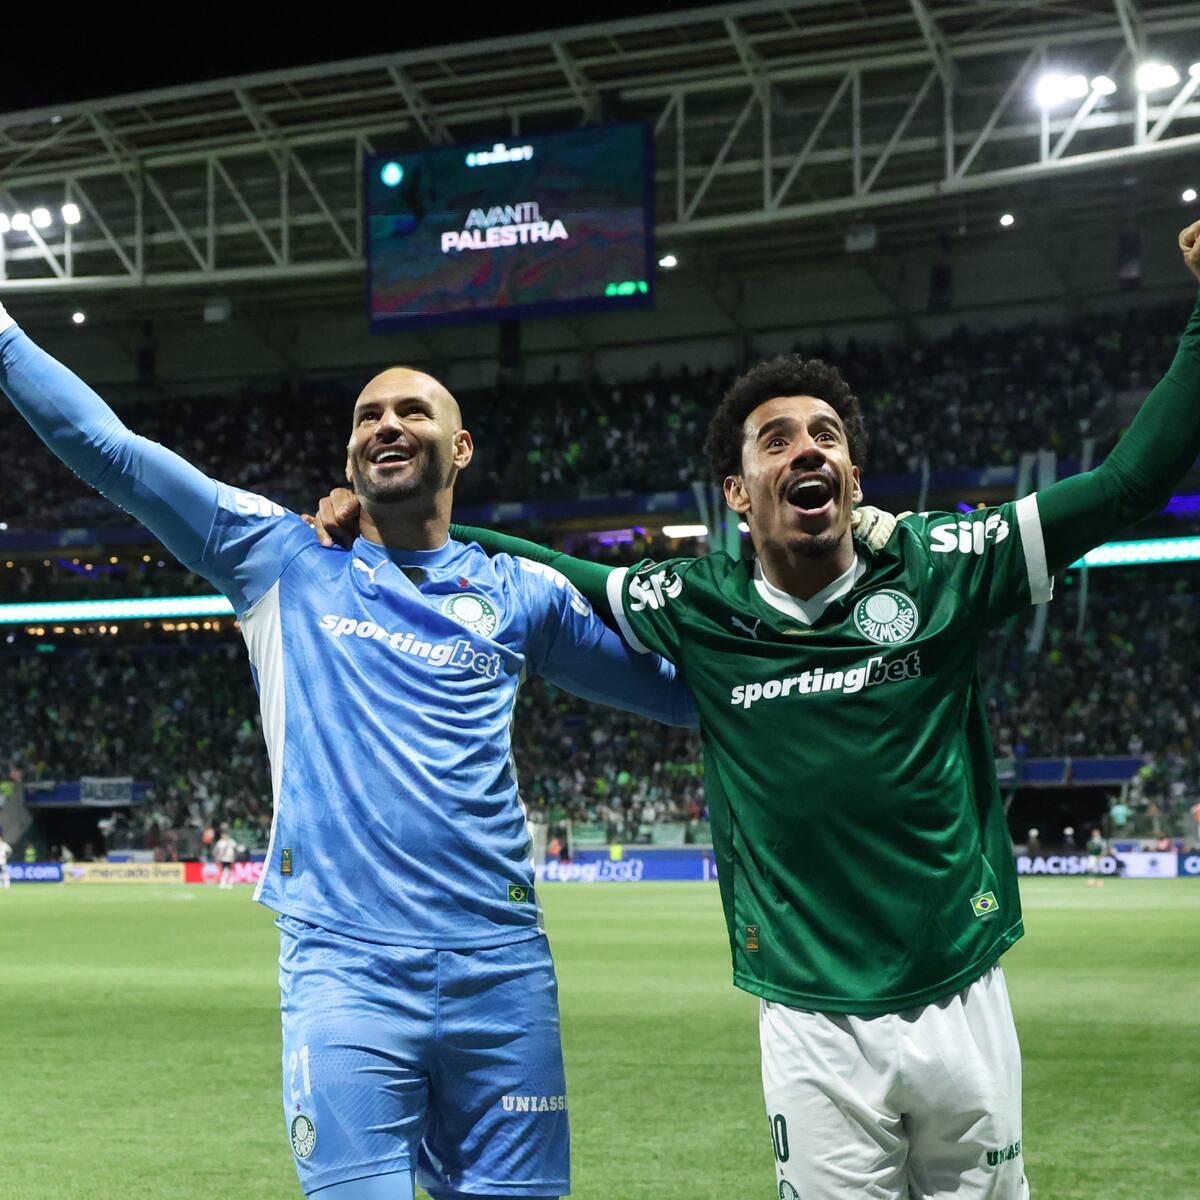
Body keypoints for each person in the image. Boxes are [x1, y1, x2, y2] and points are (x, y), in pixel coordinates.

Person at [311, 220, 1200, 1199]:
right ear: (738, 492)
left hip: (962, 993)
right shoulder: (697, 606)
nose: (806, 451)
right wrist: (392, 514)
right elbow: (553, 568)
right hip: (809, 1023)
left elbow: (1131, 484)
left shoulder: (948, 567)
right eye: (776, 440)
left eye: (827, 438)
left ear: (856, 478)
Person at [0, 309, 701, 1200]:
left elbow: (686, 695)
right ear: (348, 459)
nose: (387, 426)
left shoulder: (521, 592)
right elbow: (115, 452)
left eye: (412, 411)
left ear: (463, 446)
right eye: (369, 416)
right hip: (346, 969)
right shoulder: (277, 554)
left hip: (504, 970)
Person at [214, 826, 238, 890]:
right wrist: (217, 857)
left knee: (230, 871)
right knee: (222, 871)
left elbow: (235, 849)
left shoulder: (232, 842)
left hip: (230, 859)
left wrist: (234, 856)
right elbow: (216, 850)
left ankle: (230, 883)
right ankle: (223, 883)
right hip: (223, 859)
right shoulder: (220, 842)